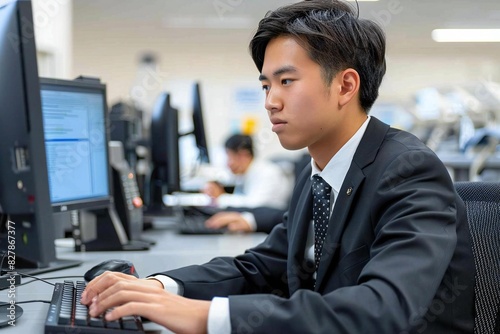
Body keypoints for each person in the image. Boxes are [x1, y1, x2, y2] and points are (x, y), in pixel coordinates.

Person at [81, 1, 475, 333]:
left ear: (345, 86)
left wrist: (206, 317)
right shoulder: (315, 171)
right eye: (267, 86)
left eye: (286, 81)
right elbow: (263, 266)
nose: (270, 101)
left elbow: (382, 308)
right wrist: (163, 287)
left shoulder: (410, 170)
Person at [203, 133, 293, 210]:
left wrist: (221, 198)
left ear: (243, 154)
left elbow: (254, 206)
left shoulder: (267, 173)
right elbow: (226, 178)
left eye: (230, 157)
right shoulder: (247, 172)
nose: (228, 164)